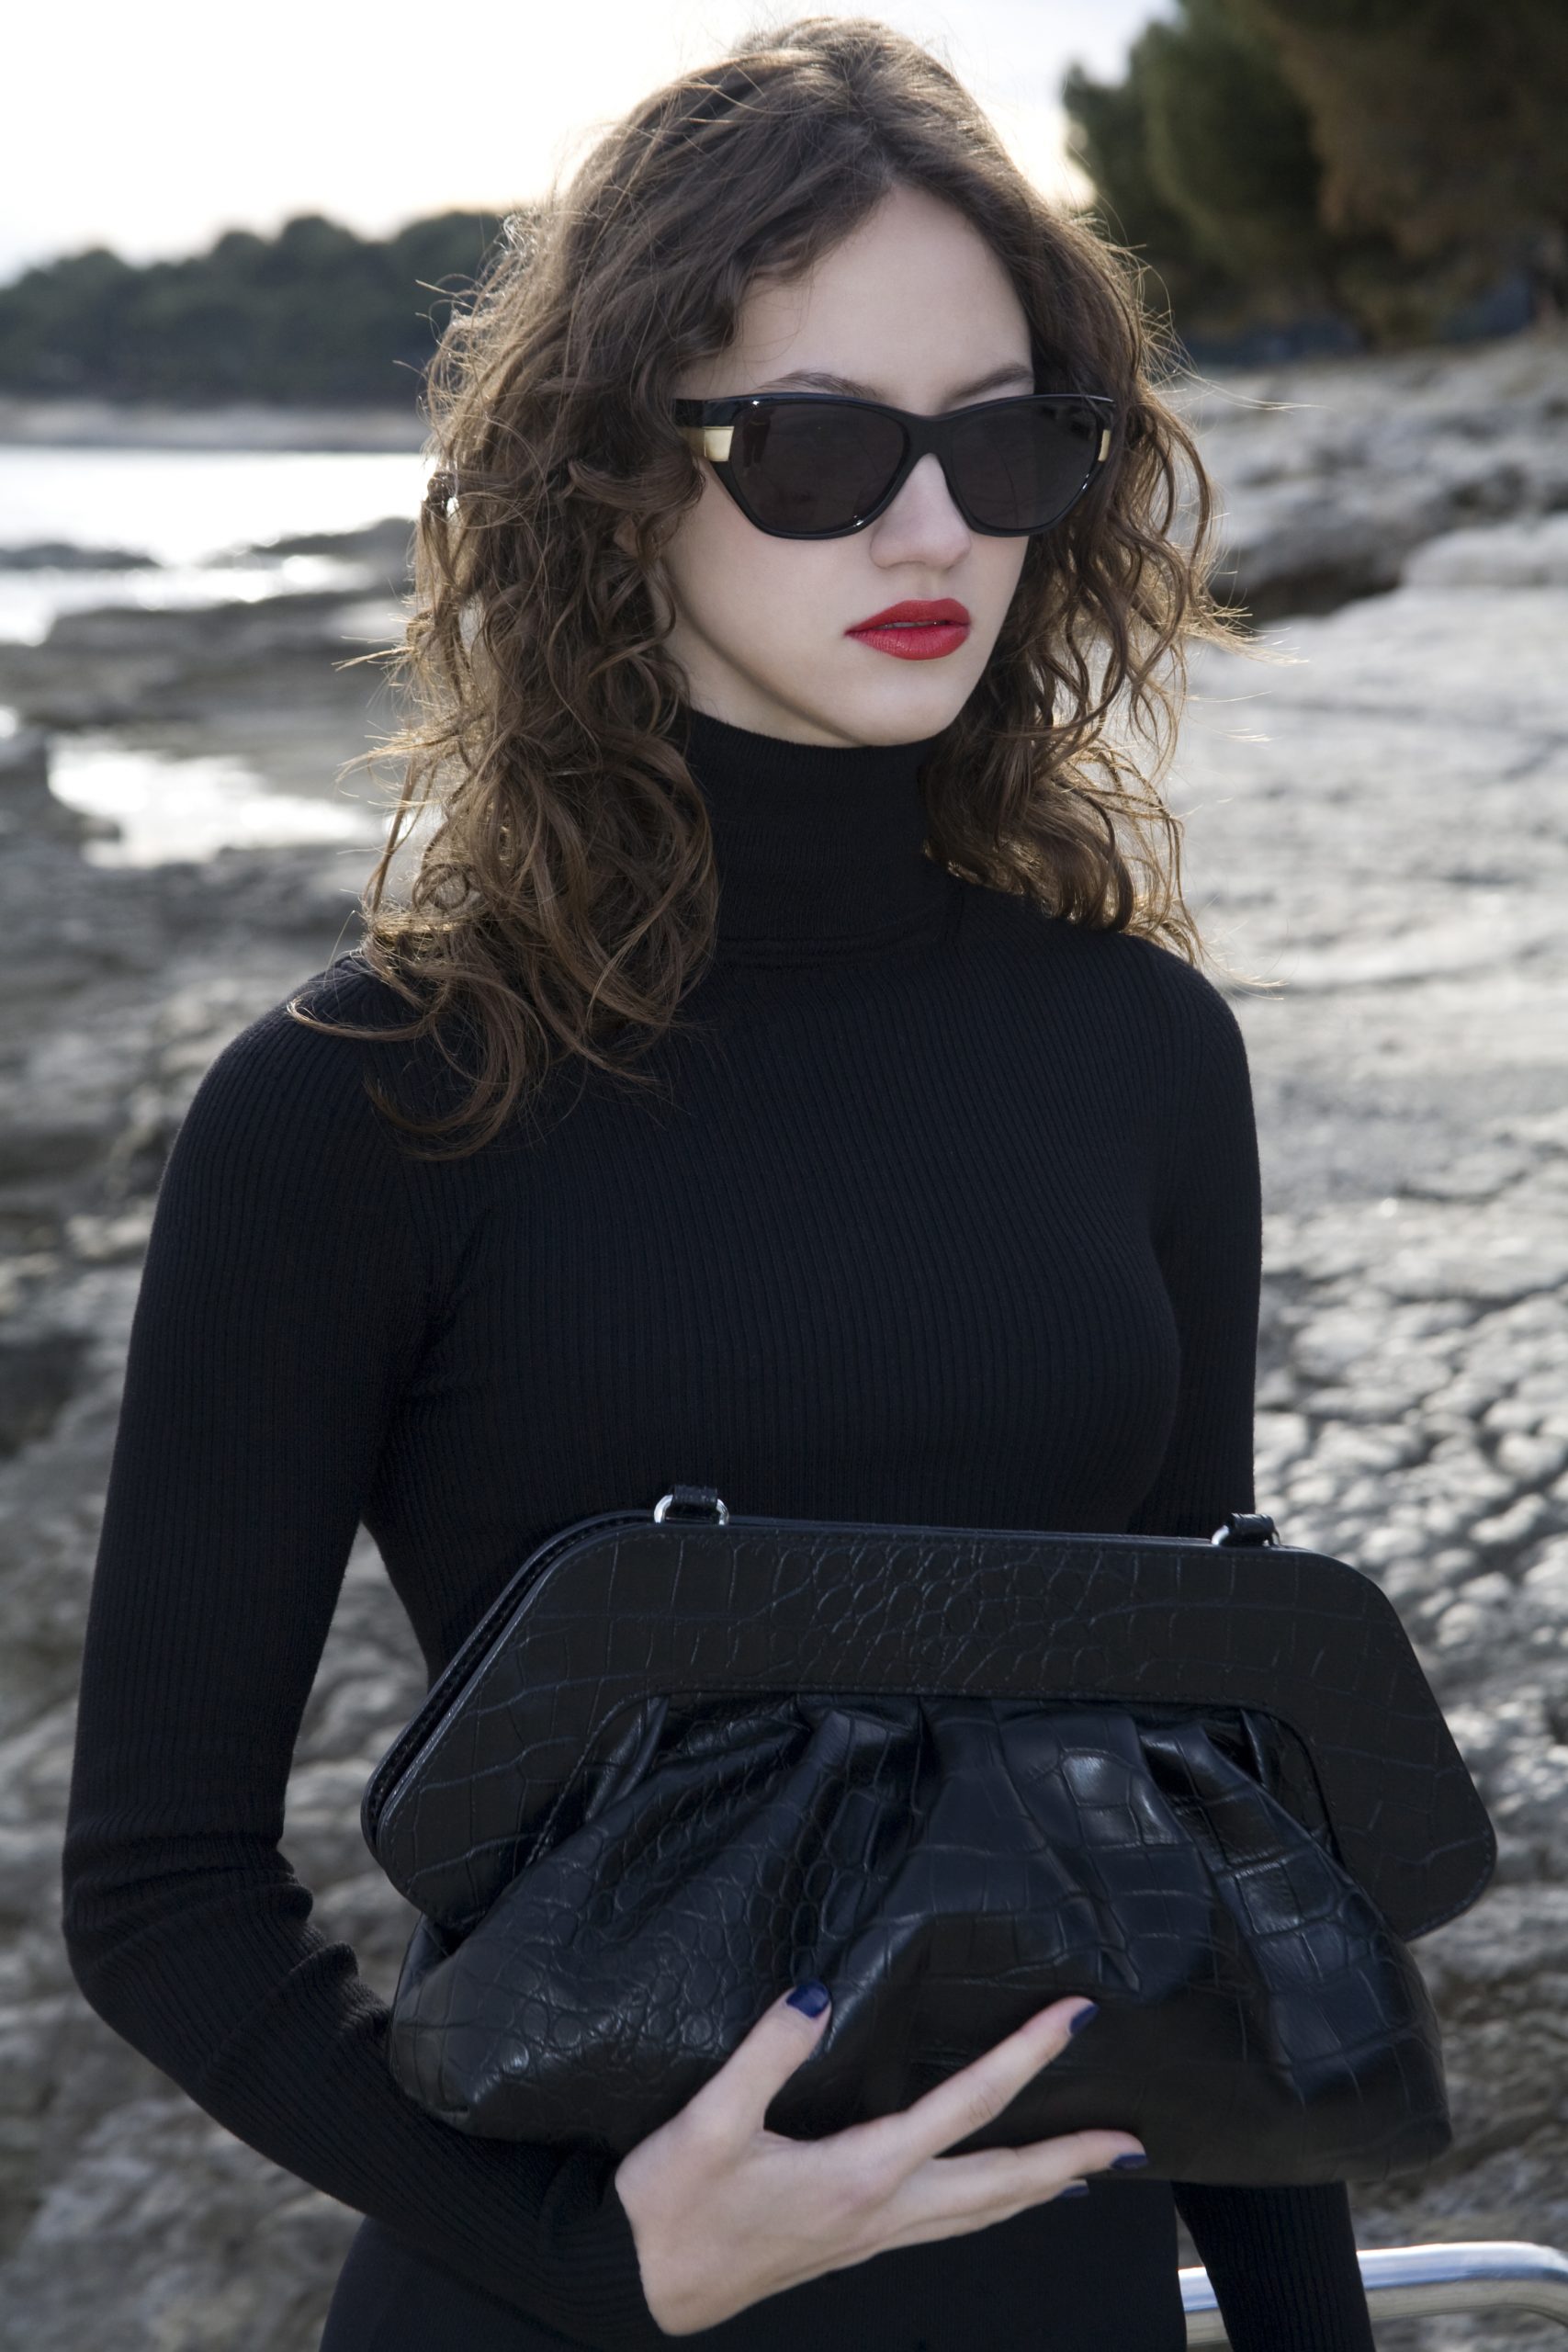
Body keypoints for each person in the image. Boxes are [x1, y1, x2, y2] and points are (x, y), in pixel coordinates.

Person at [60, 17, 1380, 2351]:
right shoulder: (361, 1102)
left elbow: (1211, 1787)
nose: (930, 528)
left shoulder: (1138, 1050)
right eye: (818, 447)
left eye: (1003, 442)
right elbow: (158, 1885)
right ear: (610, 475)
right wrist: (596, 2252)